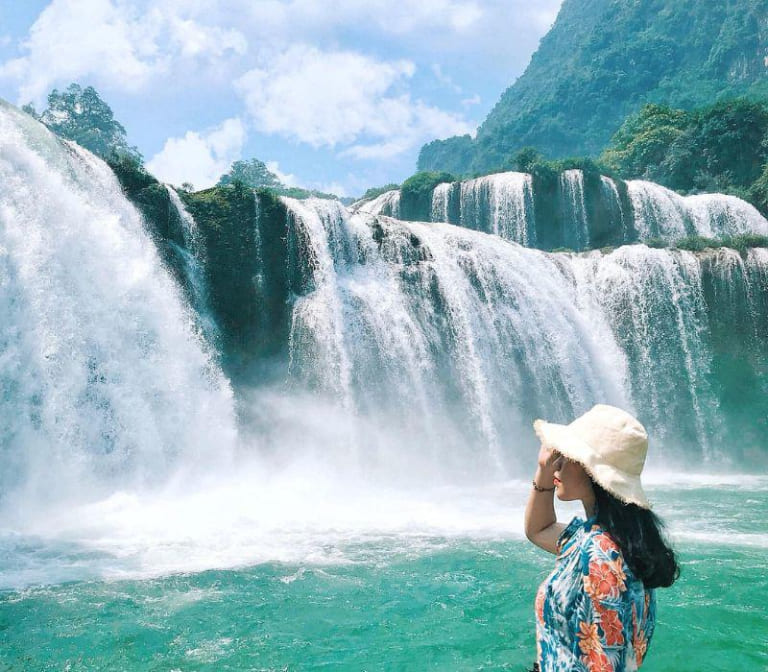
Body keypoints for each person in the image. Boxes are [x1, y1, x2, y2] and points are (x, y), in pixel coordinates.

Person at [523, 404, 680, 671]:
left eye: (566, 455)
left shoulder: (599, 554)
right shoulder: (618, 539)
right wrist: (543, 472)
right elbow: (538, 529)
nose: (556, 463)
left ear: (592, 471)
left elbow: (608, 663)